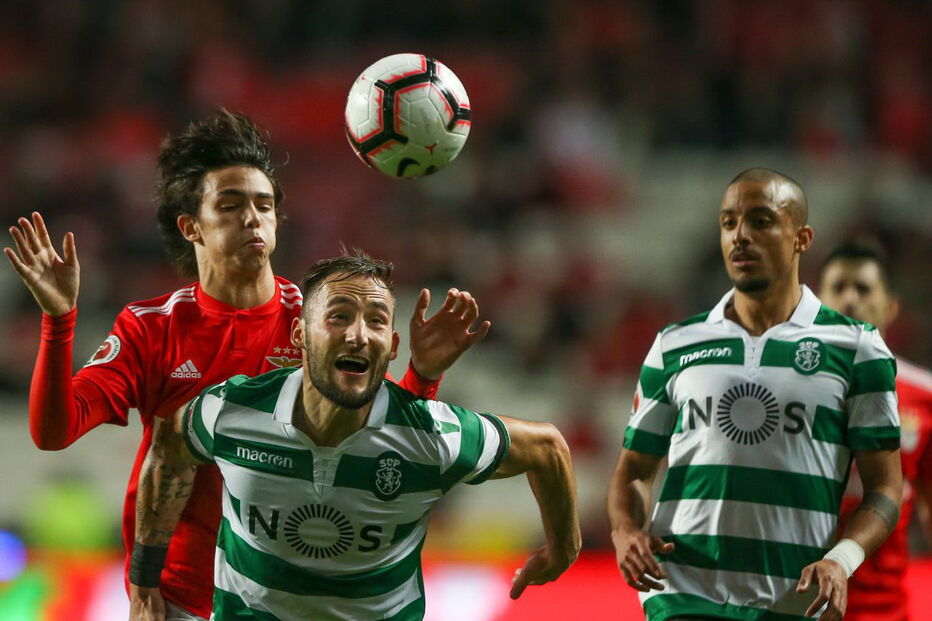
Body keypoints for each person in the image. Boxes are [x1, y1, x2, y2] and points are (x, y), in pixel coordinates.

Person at [3, 110, 491, 621]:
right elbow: (53, 431)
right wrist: (59, 321)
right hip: (178, 599)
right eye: (230, 205)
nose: (252, 218)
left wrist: (425, 376)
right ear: (191, 225)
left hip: (286, 598)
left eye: (264, 205)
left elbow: (380, 435)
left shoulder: (313, 323)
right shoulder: (153, 328)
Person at [128, 252, 581, 620]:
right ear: (300, 334)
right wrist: (145, 582)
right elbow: (169, 450)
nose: (358, 335)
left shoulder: (429, 435)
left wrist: (564, 548)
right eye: (339, 316)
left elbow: (547, 447)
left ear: (394, 346)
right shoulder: (233, 409)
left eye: (377, 321)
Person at [607, 168, 903, 621]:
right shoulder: (674, 344)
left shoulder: (857, 347)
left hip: (794, 599)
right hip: (683, 591)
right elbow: (632, 471)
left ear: (802, 238)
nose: (740, 236)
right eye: (729, 223)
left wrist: (843, 560)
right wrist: (626, 531)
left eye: (761, 221)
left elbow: (884, 488)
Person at [819, 239, 932, 621]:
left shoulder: (924, 396)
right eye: (837, 287)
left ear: (891, 306)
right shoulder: (788, 390)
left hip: (884, 611)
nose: (850, 299)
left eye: (863, 288)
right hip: (797, 607)